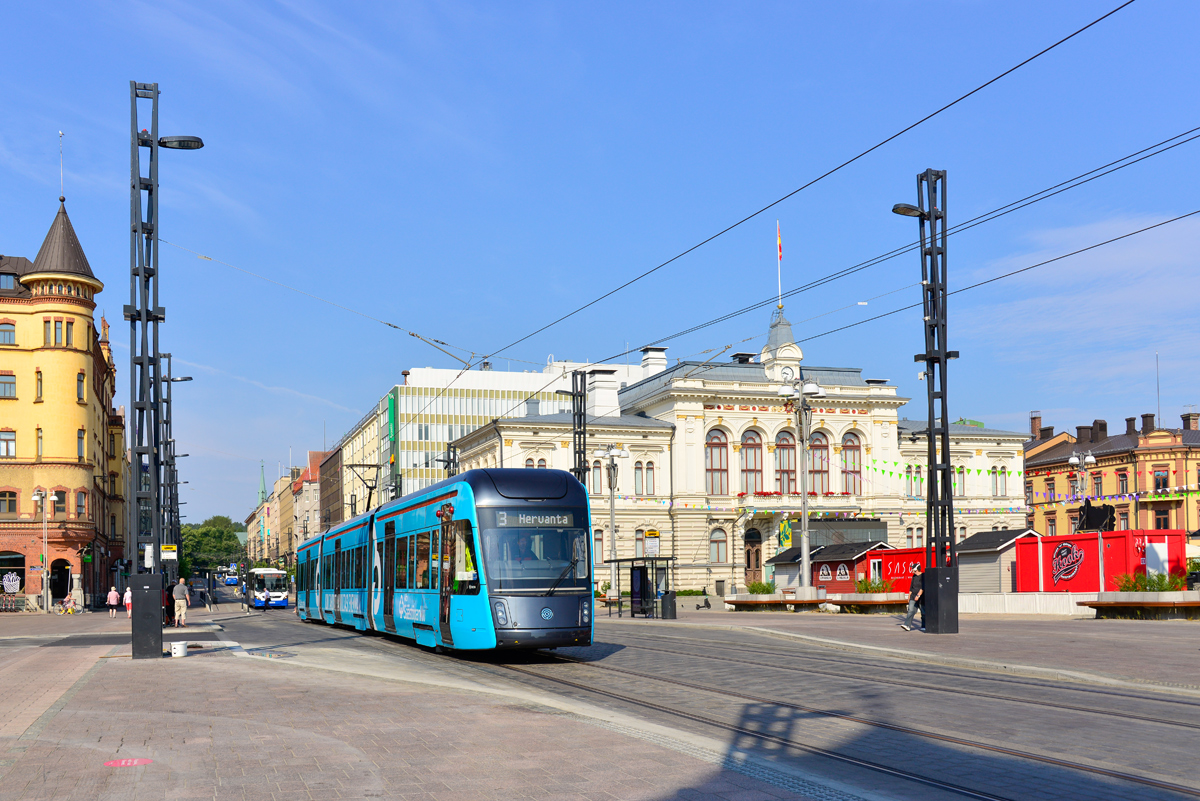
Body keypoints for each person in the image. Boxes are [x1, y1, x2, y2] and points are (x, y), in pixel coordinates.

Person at [901, 563, 924, 631]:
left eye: (912, 568)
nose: (911, 570)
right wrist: (909, 596)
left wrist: (918, 595)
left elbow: (923, 587)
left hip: (921, 598)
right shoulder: (913, 577)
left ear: (916, 569)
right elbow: (911, 588)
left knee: (923, 612)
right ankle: (907, 625)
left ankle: (924, 626)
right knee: (910, 610)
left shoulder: (923, 576)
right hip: (913, 596)